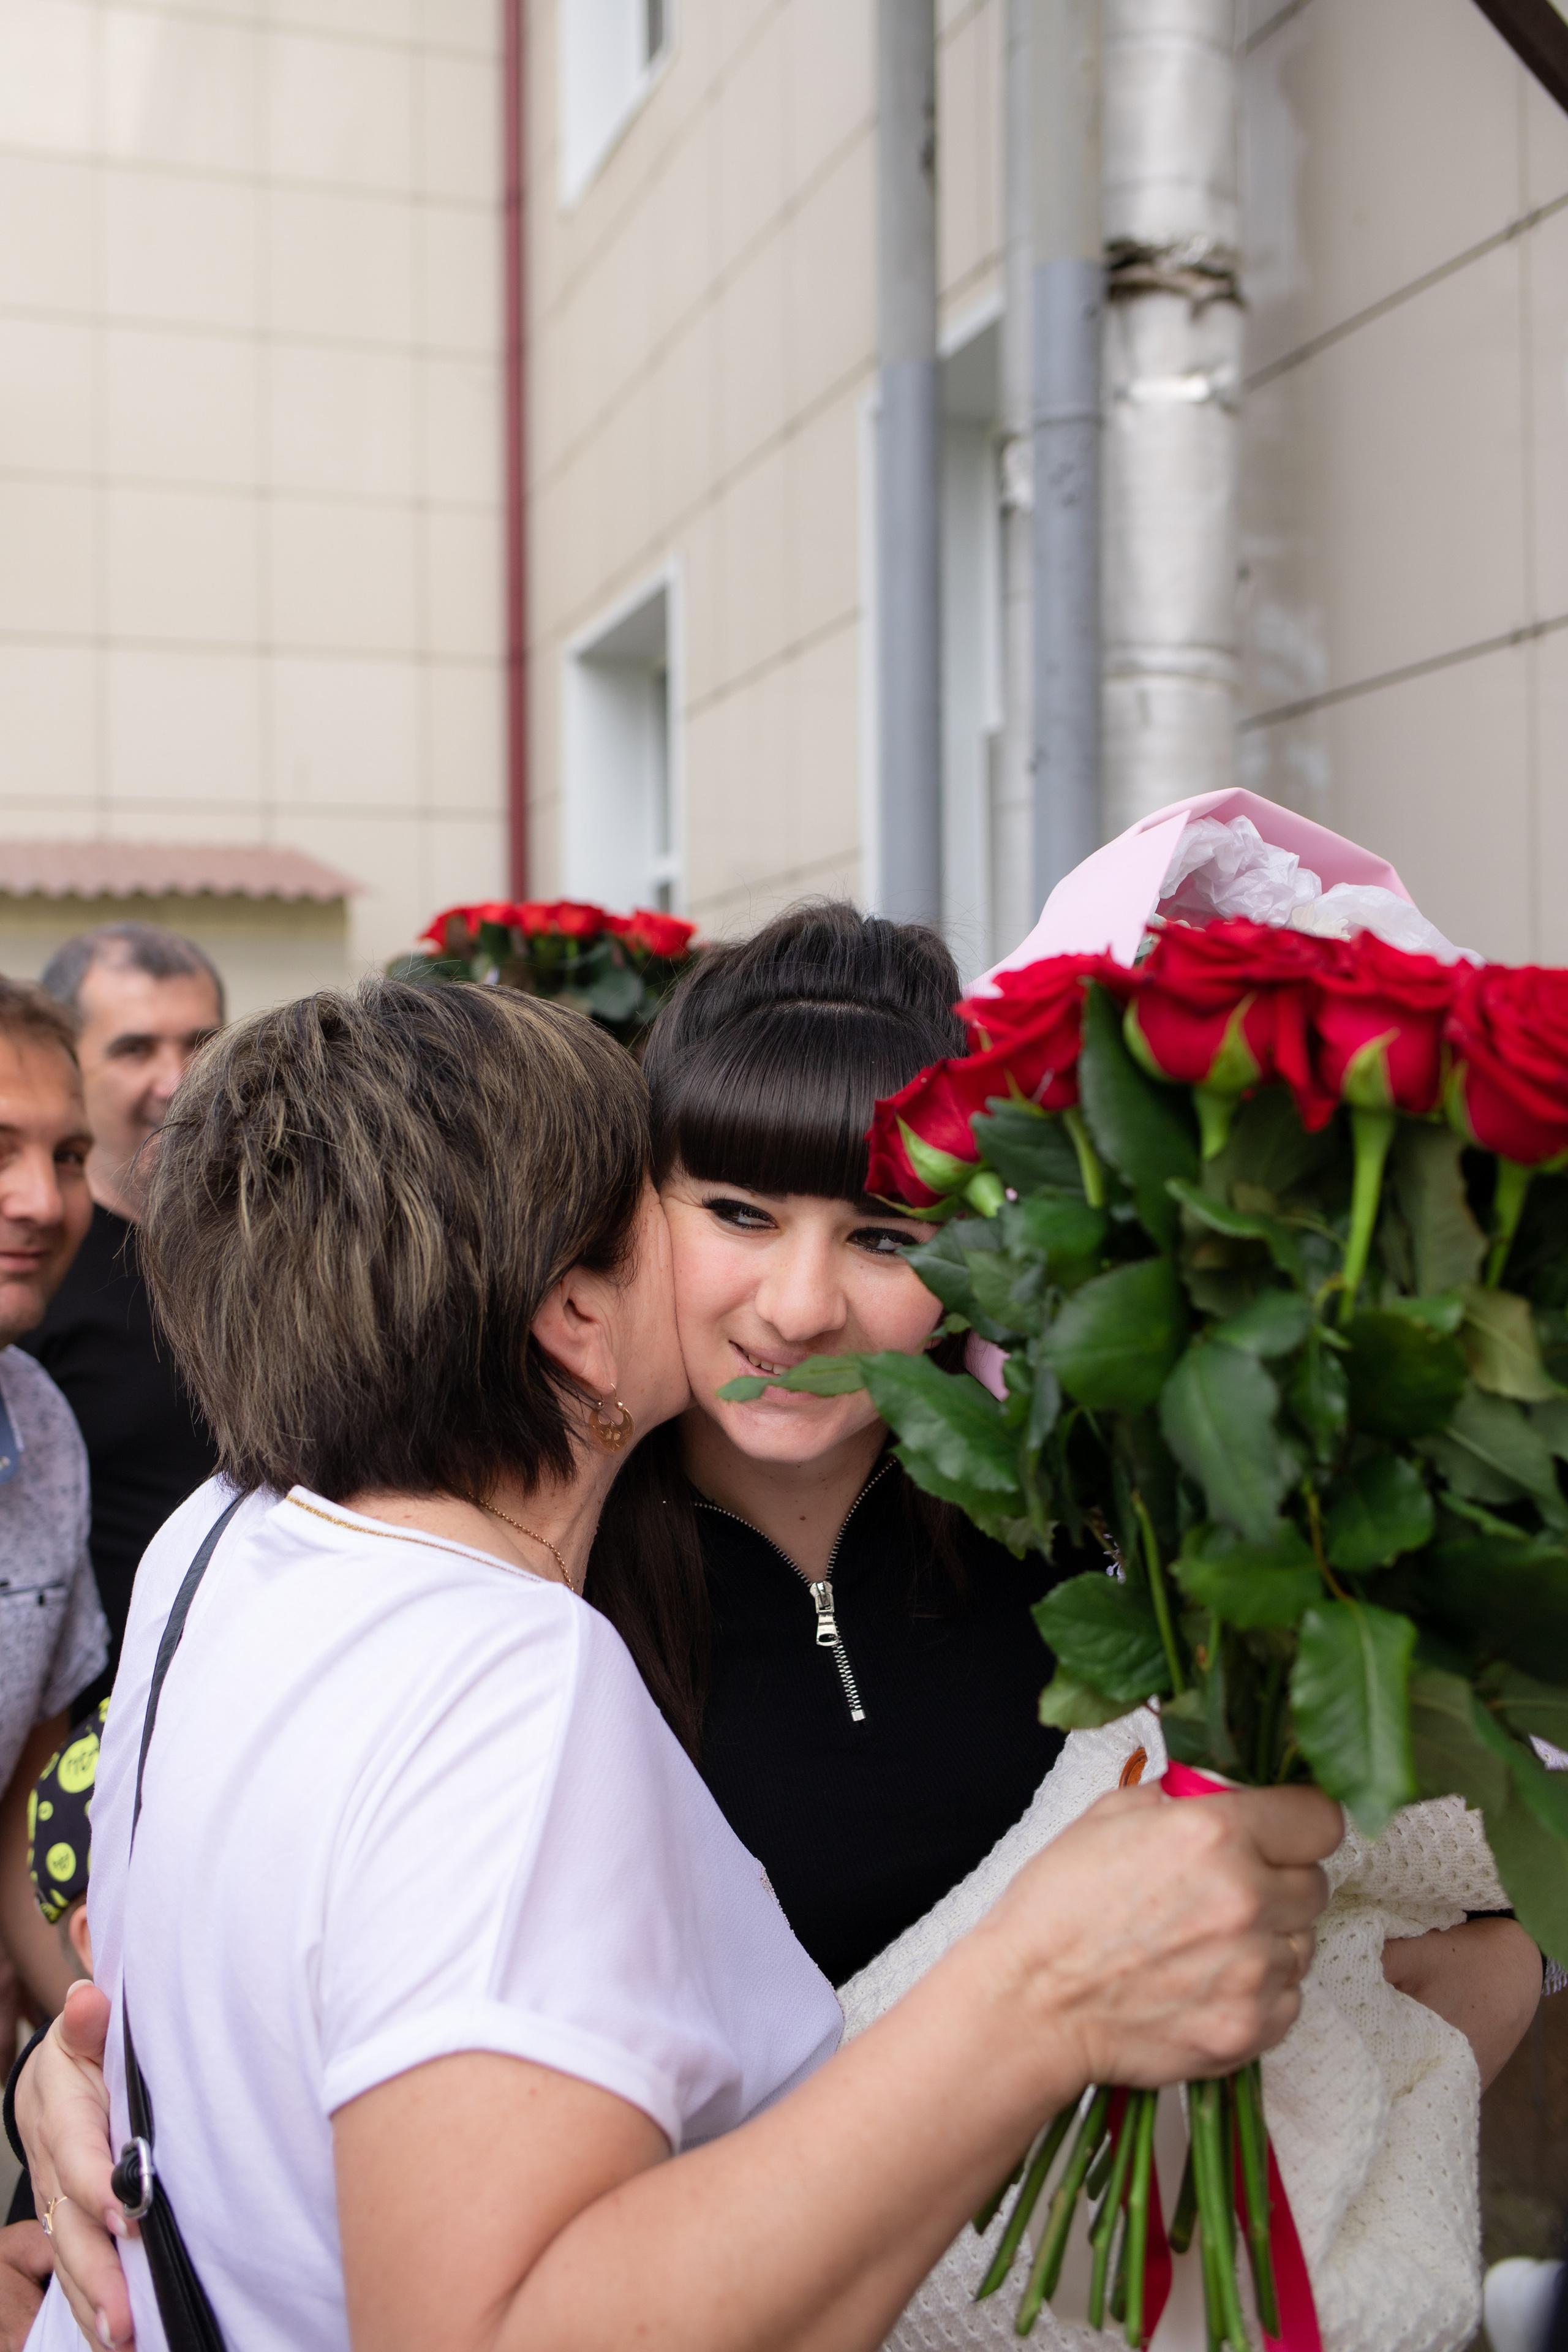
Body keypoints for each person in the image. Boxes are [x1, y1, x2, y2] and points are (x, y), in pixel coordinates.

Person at [13, 977, 1336, 2352]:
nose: (787, 1298)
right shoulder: (510, 1680)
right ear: (574, 1312)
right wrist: (1042, 1989)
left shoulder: (224, 1531)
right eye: (698, 1210)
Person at [21, 924, 223, 1695]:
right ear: (66, 1071)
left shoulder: (268, 1256)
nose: (176, 1080)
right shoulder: (27, 1277)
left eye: (199, 1042)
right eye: (135, 1049)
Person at [0, 979, 109, 2340]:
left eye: (67, 1155)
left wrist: (94, 2055)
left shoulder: (44, 1428)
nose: (41, 1198)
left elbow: (22, 1806)